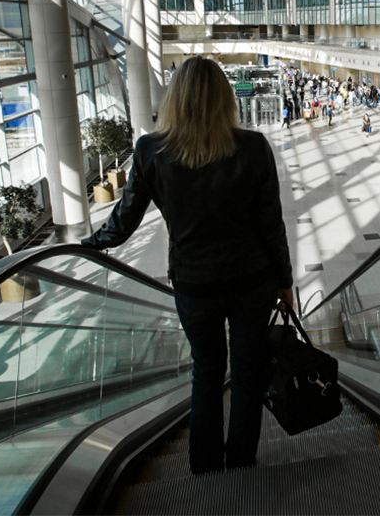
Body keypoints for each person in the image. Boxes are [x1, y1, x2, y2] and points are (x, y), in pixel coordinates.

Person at [81, 58, 293, 475]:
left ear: (174, 99)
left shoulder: (151, 151)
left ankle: (205, 463)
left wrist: (90, 244)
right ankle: (241, 459)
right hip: (252, 280)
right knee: (247, 370)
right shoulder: (252, 147)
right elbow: (271, 224)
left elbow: (123, 220)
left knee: (207, 371)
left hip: (193, 283)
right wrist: (284, 281)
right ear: (225, 98)